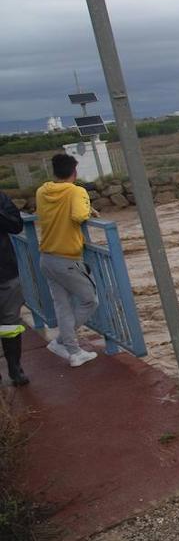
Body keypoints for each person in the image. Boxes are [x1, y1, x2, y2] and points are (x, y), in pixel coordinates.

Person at [36, 153, 99, 368]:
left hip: (46, 256)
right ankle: (63, 341)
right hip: (67, 258)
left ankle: (73, 352)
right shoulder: (76, 191)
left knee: (62, 306)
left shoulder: (42, 191)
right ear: (74, 171)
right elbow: (79, 216)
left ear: (54, 171)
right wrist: (87, 205)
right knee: (90, 300)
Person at [0, 190, 30, 385]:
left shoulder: (0, 198)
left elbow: (16, 225)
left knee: (10, 322)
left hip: (5, 271)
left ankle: (15, 369)